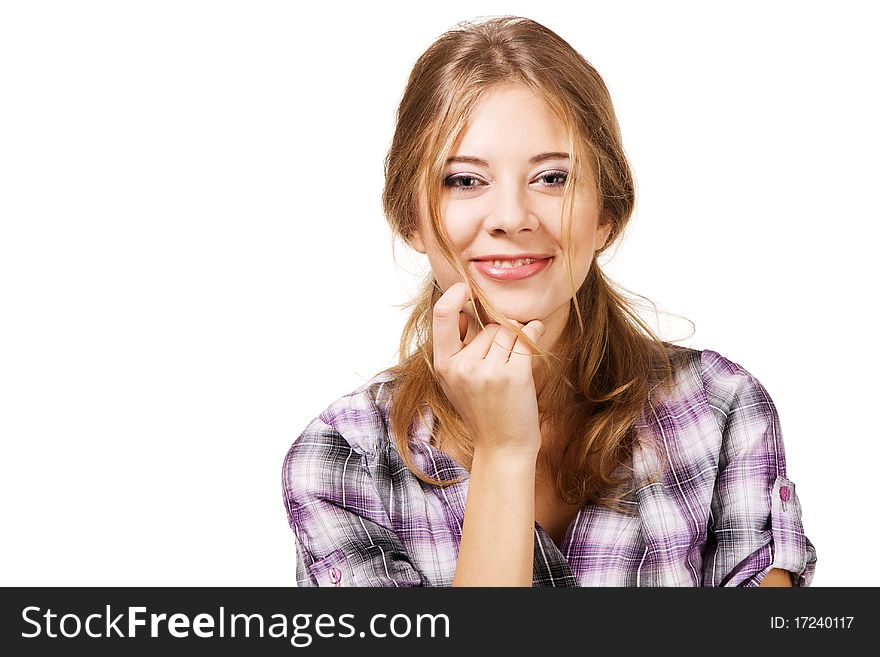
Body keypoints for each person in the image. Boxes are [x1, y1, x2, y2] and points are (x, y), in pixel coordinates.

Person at [281, 15, 817, 587]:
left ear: (606, 212)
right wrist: (504, 453)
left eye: (553, 178)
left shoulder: (719, 409)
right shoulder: (343, 458)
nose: (511, 218)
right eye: (463, 180)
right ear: (410, 219)